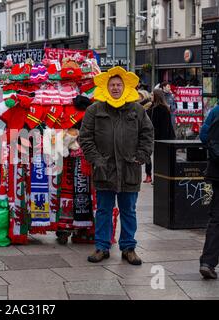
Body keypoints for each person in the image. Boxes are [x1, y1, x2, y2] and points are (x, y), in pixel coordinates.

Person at [79, 66, 154, 265]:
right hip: (104, 170)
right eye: (112, 84)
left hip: (130, 169)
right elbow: (85, 138)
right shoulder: (94, 110)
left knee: (128, 210)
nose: (115, 88)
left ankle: (129, 248)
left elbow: (147, 135)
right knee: (103, 210)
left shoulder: (136, 109)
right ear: (106, 86)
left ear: (125, 86)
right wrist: (96, 160)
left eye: (118, 84)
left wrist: (141, 156)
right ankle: (101, 247)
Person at [199, 100, 219, 279]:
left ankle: (208, 262)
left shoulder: (216, 110)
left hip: (217, 171)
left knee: (216, 219)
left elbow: (204, 135)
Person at [138, 90, 153, 183]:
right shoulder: (136, 106)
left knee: (147, 156)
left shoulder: (148, 106)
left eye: (140, 96)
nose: (138, 97)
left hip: (146, 135)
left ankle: (149, 175)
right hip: (137, 135)